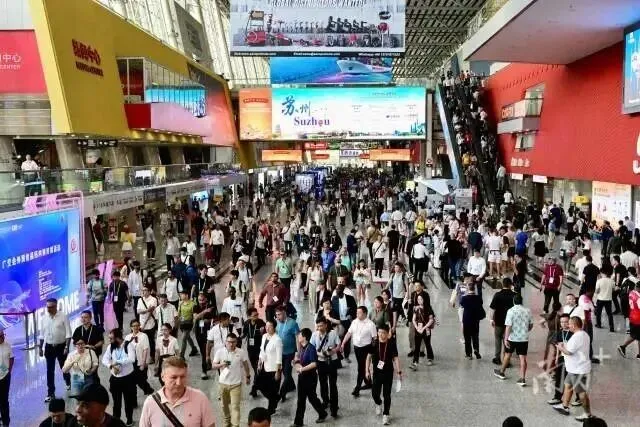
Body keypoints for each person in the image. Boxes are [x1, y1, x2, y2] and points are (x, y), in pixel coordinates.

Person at [139, 356, 216, 427]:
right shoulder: (150, 403)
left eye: (182, 377)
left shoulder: (200, 399)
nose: (179, 383)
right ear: (162, 377)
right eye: (174, 377)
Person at [552, 317, 593, 421]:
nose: (568, 325)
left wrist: (560, 347)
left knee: (582, 393)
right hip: (573, 369)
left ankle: (588, 414)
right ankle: (565, 406)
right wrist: (565, 346)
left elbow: (569, 352)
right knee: (568, 385)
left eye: (569, 324)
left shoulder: (576, 337)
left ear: (574, 325)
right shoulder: (584, 334)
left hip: (578, 370)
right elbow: (575, 348)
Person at [211, 332, 251, 427]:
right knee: (224, 405)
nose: (231, 344)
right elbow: (213, 366)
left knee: (235, 406)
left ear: (236, 342)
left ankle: (235, 425)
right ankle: (227, 421)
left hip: (236, 384)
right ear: (225, 342)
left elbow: (246, 365)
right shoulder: (220, 352)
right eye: (229, 342)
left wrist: (248, 376)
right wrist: (222, 365)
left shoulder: (241, 352)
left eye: (233, 342)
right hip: (223, 383)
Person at [365, 325, 402, 426]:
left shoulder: (391, 343)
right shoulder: (374, 343)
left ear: (387, 333)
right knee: (374, 393)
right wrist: (367, 371)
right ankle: (378, 403)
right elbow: (368, 357)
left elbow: (395, 358)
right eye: (379, 332)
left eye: (383, 333)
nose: (381, 335)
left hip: (388, 372)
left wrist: (399, 372)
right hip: (377, 373)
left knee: (387, 395)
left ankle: (386, 414)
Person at [291, 328, 328, 426]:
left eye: (300, 335)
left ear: (304, 337)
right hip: (302, 377)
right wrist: (295, 362)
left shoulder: (311, 348)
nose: (298, 337)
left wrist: (302, 369)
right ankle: (298, 422)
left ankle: (322, 413)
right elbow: (300, 359)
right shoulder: (302, 347)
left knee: (312, 398)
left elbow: (314, 363)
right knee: (301, 400)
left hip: (310, 378)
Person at [493, 294, 533, 386]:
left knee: (508, 355)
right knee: (522, 358)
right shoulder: (528, 311)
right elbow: (531, 325)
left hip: (512, 338)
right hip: (523, 338)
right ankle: (522, 379)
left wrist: (506, 338)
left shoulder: (510, 311)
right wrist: (525, 331)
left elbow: (508, 326)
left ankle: (501, 372)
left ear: (514, 301)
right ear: (522, 301)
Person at [102, 328, 136, 426]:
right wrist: (111, 365)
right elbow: (104, 359)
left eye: (111, 338)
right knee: (116, 402)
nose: (109, 340)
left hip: (128, 378)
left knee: (128, 401)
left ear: (118, 338)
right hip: (115, 379)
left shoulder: (128, 345)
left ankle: (129, 420)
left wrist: (118, 362)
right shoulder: (111, 347)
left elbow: (132, 359)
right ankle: (116, 422)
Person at [39, 298, 72, 402]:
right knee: (50, 370)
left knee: (64, 367)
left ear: (56, 306)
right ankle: (50, 393)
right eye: (47, 307)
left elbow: (68, 333)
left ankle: (67, 380)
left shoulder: (63, 316)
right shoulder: (44, 318)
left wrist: (67, 347)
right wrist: (40, 348)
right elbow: (41, 335)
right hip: (49, 347)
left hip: (61, 346)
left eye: (51, 307)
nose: (49, 309)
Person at [340, 306, 377, 397]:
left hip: (366, 348)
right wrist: (343, 343)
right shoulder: (354, 322)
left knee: (361, 368)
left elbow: (375, 338)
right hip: (357, 348)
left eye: (359, 313)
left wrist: (373, 352)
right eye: (357, 312)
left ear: (365, 314)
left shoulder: (370, 324)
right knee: (362, 366)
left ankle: (357, 388)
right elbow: (349, 333)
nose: (357, 314)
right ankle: (368, 382)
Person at [311, 318, 340, 418]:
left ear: (326, 325)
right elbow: (312, 348)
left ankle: (334, 407)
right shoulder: (314, 335)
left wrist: (332, 351)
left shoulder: (333, 333)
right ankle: (325, 401)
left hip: (332, 361)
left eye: (321, 325)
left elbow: (338, 345)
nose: (320, 328)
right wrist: (321, 354)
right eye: (318, 326)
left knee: (333, 384)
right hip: (320, 362)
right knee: (323, 383)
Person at [258, 319, 283, 416]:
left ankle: (271, 409)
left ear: (274, 327)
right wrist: (260, 361)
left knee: (272, 390)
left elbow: (279, 357)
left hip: (273, 368)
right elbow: (262, 350)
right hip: (265, 366)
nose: (267, 328)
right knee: (261, 385)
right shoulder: (264, 336)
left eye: (270, 326)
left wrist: (278, 371)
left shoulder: (277, 340)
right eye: (266, 326)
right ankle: (276, 398)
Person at [275, 305, 300, 401]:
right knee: (284, 373)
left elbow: (298, 338)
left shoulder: (293, 323)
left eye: (279, 314)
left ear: (284, 313)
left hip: (290, 353)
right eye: (276, 315)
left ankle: (282, 392)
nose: (277, 317)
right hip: (280, 352)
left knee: (287, 373)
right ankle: (292, 386)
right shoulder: (278, 323)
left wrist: (298, 353)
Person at [547, 313, 573, 405]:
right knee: (559, 378)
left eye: (566, 322)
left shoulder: (573, 333)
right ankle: (557, 397)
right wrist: (557, 357)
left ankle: (578, 398)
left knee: (573, 379)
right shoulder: (559, 333)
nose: (564, 324)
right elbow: (558, 346)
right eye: (562, 322)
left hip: (572, 359)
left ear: (570, 322)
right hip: (562, 358)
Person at [124, 318, 154, 396]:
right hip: (131, 362)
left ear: (139, 326)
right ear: (131, 327)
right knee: (134, 380)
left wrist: (143, 364)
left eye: (137, 325)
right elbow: (125, 349)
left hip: (140, 361)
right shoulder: (127, 337)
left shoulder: (144, 336)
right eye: (134, 326)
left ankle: (149, 390)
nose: (136, 327)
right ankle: (145, 392)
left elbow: (145, 350)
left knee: (141, 379)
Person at [489, 278, 516, 365]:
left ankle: (497, 358)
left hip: (499, 321)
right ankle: (506, 360)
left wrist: (491, 319)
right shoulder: (515, 295)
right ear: (511, 285)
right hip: (510, 323)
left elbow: (492, 308)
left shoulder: (497, 295)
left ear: (502, 284)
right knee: (507, 340)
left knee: (498, 339)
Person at [242, 308, 266, 397]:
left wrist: (263, 332)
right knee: (256, 369)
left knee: (258, 369)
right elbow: (244, 334)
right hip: (250, 349)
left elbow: (266, 333)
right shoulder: (246, 323)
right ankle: (258, 385)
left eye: (257, 314)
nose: (256, 316)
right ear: (249, 316)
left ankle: (254, 389)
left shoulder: (261, 322)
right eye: (254, 315)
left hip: (259, 349)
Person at [409, 293, 435, 369]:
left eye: (421, 299)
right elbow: (413, 319)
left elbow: (431, 320)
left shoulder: (428, 308)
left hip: (426, 329)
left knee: (427, 344)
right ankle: (415, 362)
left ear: (424, 300)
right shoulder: (416, 308)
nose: (419, 300)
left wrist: (424, 328)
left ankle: (430, 358)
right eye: (418, 299)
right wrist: (416, 327)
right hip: (418, 329)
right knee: (417, 346)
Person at [193, 293, 216, 379]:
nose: (201, 302)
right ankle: (207, 361)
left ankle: (204, 370)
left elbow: (214, 319)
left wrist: (208, 320)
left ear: (206, 299)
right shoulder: (196, 307)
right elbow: (196, 317)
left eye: (202, 300)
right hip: (198, 331)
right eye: (199, 300)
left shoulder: (211, 306)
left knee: (204, 351)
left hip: (208, 332)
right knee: (202, 351)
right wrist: (205, 311)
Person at [460, 283, 484, 360]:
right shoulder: (478, 298)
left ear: (467, 289)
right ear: (474, 289)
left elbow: (461, 305)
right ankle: (476, 350)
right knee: (475, 336)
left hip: (467, 320)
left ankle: (469, 354)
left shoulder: (464, 298)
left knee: (467, 337)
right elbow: (481, 304)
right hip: (475, 320)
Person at [617, 278, 640, 358]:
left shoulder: (632, 293)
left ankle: (639, 354)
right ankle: (623, 346)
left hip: (632, 316)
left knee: (637, 336)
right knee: (634, 336)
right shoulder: (639, 298)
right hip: (638, 319)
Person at [137, 286, 158, 362]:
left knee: (151, 340)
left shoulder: (153, 299)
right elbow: (138, 311)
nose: (143, 292)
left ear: (149, 291)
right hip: (141, 322)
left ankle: (152, 356)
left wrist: (145, 323)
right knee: (142, 340)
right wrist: (146, 310)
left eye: (145, 290)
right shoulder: (140, 300)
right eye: (143, 290)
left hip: (150, 323)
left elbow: (151, 312)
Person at [594, 267, 615, 332]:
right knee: (609, 314)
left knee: (598, 313)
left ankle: (598, 324)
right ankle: (611, 327)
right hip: (608, 299)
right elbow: (613, 290)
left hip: (600, 299)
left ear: (603, 273)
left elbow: (597, 291)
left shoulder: (599, 281)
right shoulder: (612, 281)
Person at [0, 329, 13, 426]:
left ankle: (6, 422)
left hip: (5, 376)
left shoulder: (7, 345)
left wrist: (8, 370)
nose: (3, 337)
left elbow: (11, 358)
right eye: (0, 336)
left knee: (4, 400)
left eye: (3, 335)